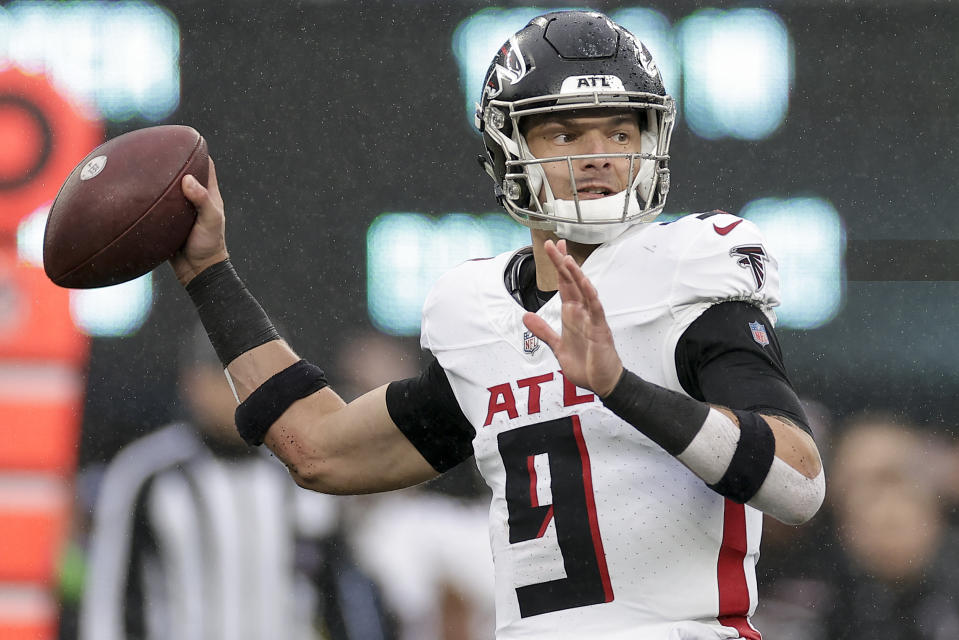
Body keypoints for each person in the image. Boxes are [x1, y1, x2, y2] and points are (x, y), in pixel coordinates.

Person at [171, 11, 824, 639]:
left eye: (620, 132)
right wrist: (209, 273)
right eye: (566, 133)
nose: (598, 156)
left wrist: (620, 386)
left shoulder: (689, 274)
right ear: (507, 149)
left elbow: (798, 483)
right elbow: (318, 449)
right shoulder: (481, 314)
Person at [78, 326, 395, 640]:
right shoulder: (148, 473)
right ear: (194, 382)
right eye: (229, 377)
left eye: (265, 378)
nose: (246, 390)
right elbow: (109, 602)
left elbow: (342, 593)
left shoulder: (307, 472)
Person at [820, 413, 959, 639]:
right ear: (847, 530)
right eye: (878, 527)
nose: (890, 541)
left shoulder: (949, 589)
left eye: (899, 526)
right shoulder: (829, 591)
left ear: (935, 523)